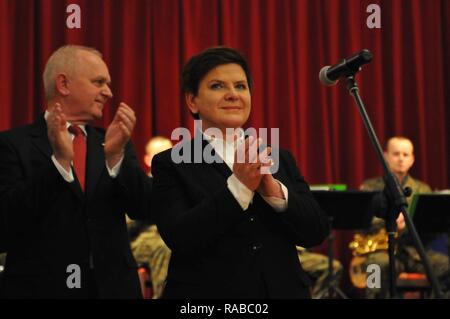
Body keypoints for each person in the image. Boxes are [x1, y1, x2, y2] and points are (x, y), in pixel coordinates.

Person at [151, 47, 329, 298]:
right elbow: (180, 237)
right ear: (192, 101)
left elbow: (317, 231)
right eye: (217, 86)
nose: (233, 94)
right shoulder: (171, 163)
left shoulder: (279, 157)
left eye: (241, 86)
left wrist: (276, 193)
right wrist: (239, 188)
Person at [0, 45, 151, 298]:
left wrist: (115, 159)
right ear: (63, 84)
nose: (109, 93)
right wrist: (58, 164)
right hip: (41, 289)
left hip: (113, 289)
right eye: (98, 82)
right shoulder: (11, 145)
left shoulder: (113, 141)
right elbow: (5, 224)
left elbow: (144, 208)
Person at [358, 136, 449, 298]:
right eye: (396, 154)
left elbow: (430, 228)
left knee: (447, 267)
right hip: (381, 250)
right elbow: (363, 222)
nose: (401, 159)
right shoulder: (369, 187)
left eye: (405, 155)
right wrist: (390, 220)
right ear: (386, 156)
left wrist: (408, 225)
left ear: (412, 159)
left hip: (413, 252)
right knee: (374, 268)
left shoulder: (422, 188)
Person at [130, 136, 173, 299]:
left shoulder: (180, 181)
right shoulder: (141, 184)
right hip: (145, 238)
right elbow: (128, 223)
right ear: (148, 160)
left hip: (174, 231)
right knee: (165, 246)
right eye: (160, 155)